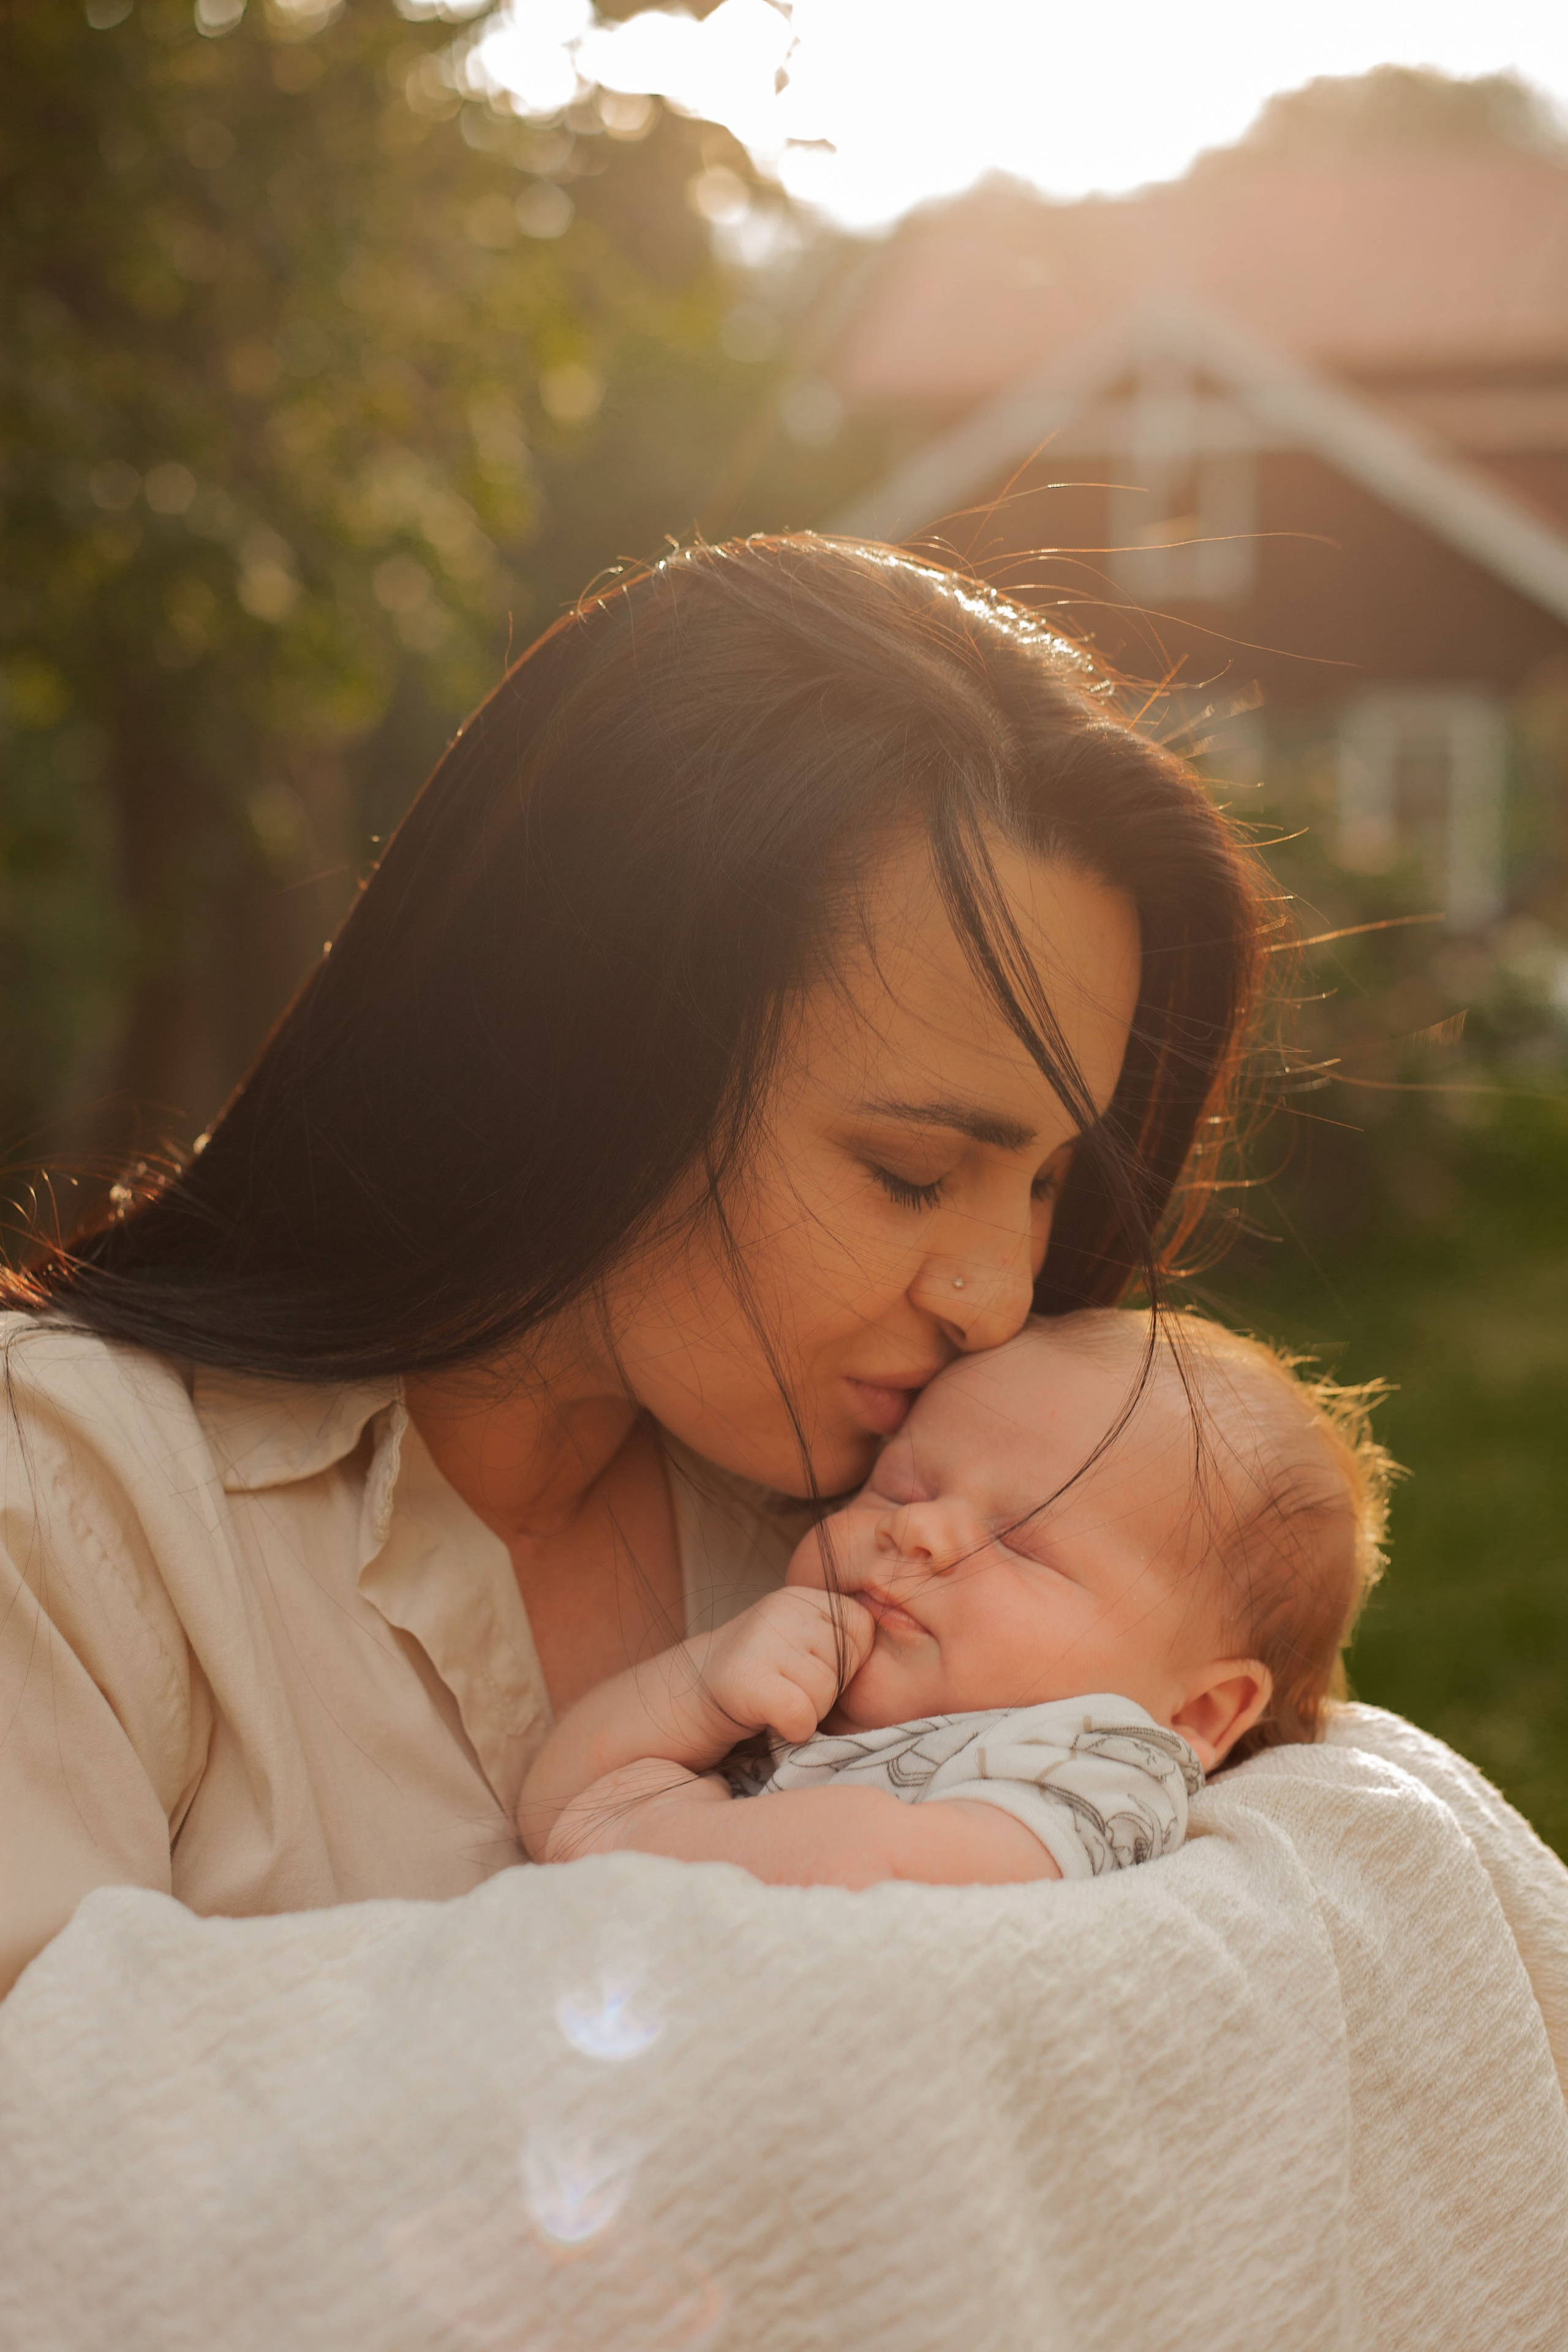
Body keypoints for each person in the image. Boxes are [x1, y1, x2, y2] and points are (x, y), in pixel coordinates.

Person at [0, 534, 1264, 1997]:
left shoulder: (924, 1534)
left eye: (1046, 1180)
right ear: (585, 1048)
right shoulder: (71, 1512)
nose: (994, 1296)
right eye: (909, 1173)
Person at [519, 1310, 1393, 1887]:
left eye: (1018, 1539)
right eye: (896, 1489)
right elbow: (561, 1810)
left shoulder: (1098, 1763)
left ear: (1199, 1710)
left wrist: (653, 1837)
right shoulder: (796, 1697)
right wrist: (701, 1684)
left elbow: (882, 1872)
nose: (921, 1530)